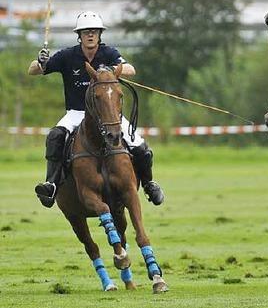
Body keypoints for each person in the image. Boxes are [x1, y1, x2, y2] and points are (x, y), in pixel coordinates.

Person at [28, 11, 165, 208]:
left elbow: (130, 69)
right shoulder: (68, 55)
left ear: (100, 34)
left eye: (94, 31)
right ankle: (51, 184)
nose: (90, 35)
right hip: (77, 113)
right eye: (86, 32)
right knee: (54, 137)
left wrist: (109, 70)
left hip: (107, 114)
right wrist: (40, 62)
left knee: (140, 146)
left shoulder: (108, 53)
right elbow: (33, 70)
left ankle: (149, 184)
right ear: (80, 35)